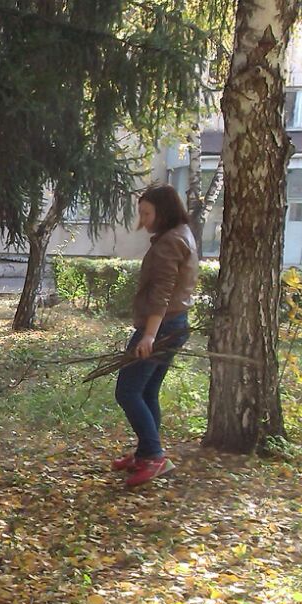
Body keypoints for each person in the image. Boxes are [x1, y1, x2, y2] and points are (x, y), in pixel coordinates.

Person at [113, 184, 197, 488]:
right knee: (146, 391)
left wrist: (148, 336)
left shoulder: (170, 242)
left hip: (162, 327)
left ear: (163, 211)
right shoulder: (181, 234)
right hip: (174, 323)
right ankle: (146, 453)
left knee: (127, 391)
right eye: (141, 213)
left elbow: (162, 292)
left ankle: (155, 456)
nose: (143, 220)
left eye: (147, 213)